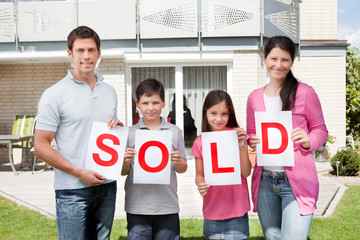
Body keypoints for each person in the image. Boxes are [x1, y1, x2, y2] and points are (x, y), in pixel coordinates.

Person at [34, 26, 123, 240]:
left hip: (106, 185)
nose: (86, 56)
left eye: (91, 50)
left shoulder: (109, 92)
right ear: (70, 53)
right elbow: (41, 145)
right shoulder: (54, 94)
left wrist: (118, 129)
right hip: (72, 189)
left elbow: (108, 136)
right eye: (80, 50)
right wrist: (78, 172)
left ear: (99, 53)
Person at [246, 36, 328, 239]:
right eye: (274, 58)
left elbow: (320, 130)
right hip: (265, 180)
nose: (279, 65)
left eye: (285, 59)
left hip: (297, 181)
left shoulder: (305, 93)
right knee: (272, 236)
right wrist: (252, 140)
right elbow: (250, 133)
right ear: (264, 59)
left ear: (292, 61)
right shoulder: (254, 97)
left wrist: (309, 140)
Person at [121, 78, 188, 240]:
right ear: (137, 104)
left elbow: (182, 168)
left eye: (155, 102)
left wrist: (178, 162)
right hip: (137, 206)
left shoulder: (174, 131)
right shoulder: (129, 133)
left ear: (163, 103)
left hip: (167, 205)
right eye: (145, 103)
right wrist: (125, 161)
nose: (150, 108)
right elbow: (123, 172)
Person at [191, 90, 251, 239]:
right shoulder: (200, 142)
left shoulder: (237, 136)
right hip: (213, 209)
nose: (219, 119)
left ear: (230, 114)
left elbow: (246, 172)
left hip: (237, 208)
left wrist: (242, 146)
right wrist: (200, 184)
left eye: (224, 114)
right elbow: (199, 176)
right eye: (213, 113)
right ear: (205, 112)